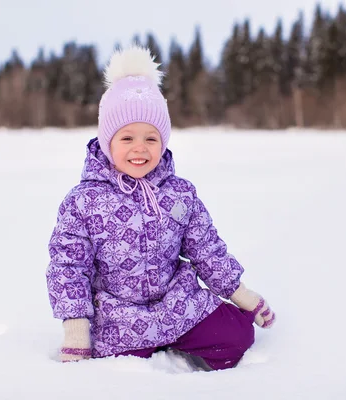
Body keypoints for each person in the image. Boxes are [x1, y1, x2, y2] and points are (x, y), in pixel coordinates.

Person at [46, 46, 275, 370]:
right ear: (107, 141)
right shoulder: (84, 201)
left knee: (239, 335)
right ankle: (141, 354)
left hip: (177, 305)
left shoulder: (180, 194)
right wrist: (76, 331)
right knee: (112, 376)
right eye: (127, 138)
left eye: (151, 139)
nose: (140, 148)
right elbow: (68, 267)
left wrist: (243, 296)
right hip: (118, 319)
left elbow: (207, 251)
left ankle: (178, 342)